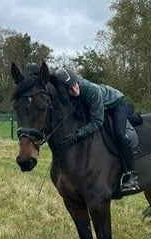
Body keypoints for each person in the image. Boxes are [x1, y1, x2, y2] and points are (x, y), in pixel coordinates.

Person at [53, 66, 140, 194]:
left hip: (115, 104)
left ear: (77, 81)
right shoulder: (69, 97)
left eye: (75, 85)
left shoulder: (91, 90)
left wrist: (78, 135)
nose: (74, 89)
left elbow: (97, 121)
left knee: (120, 134)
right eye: (70, 89)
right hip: (97, 106)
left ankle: (131, 175)